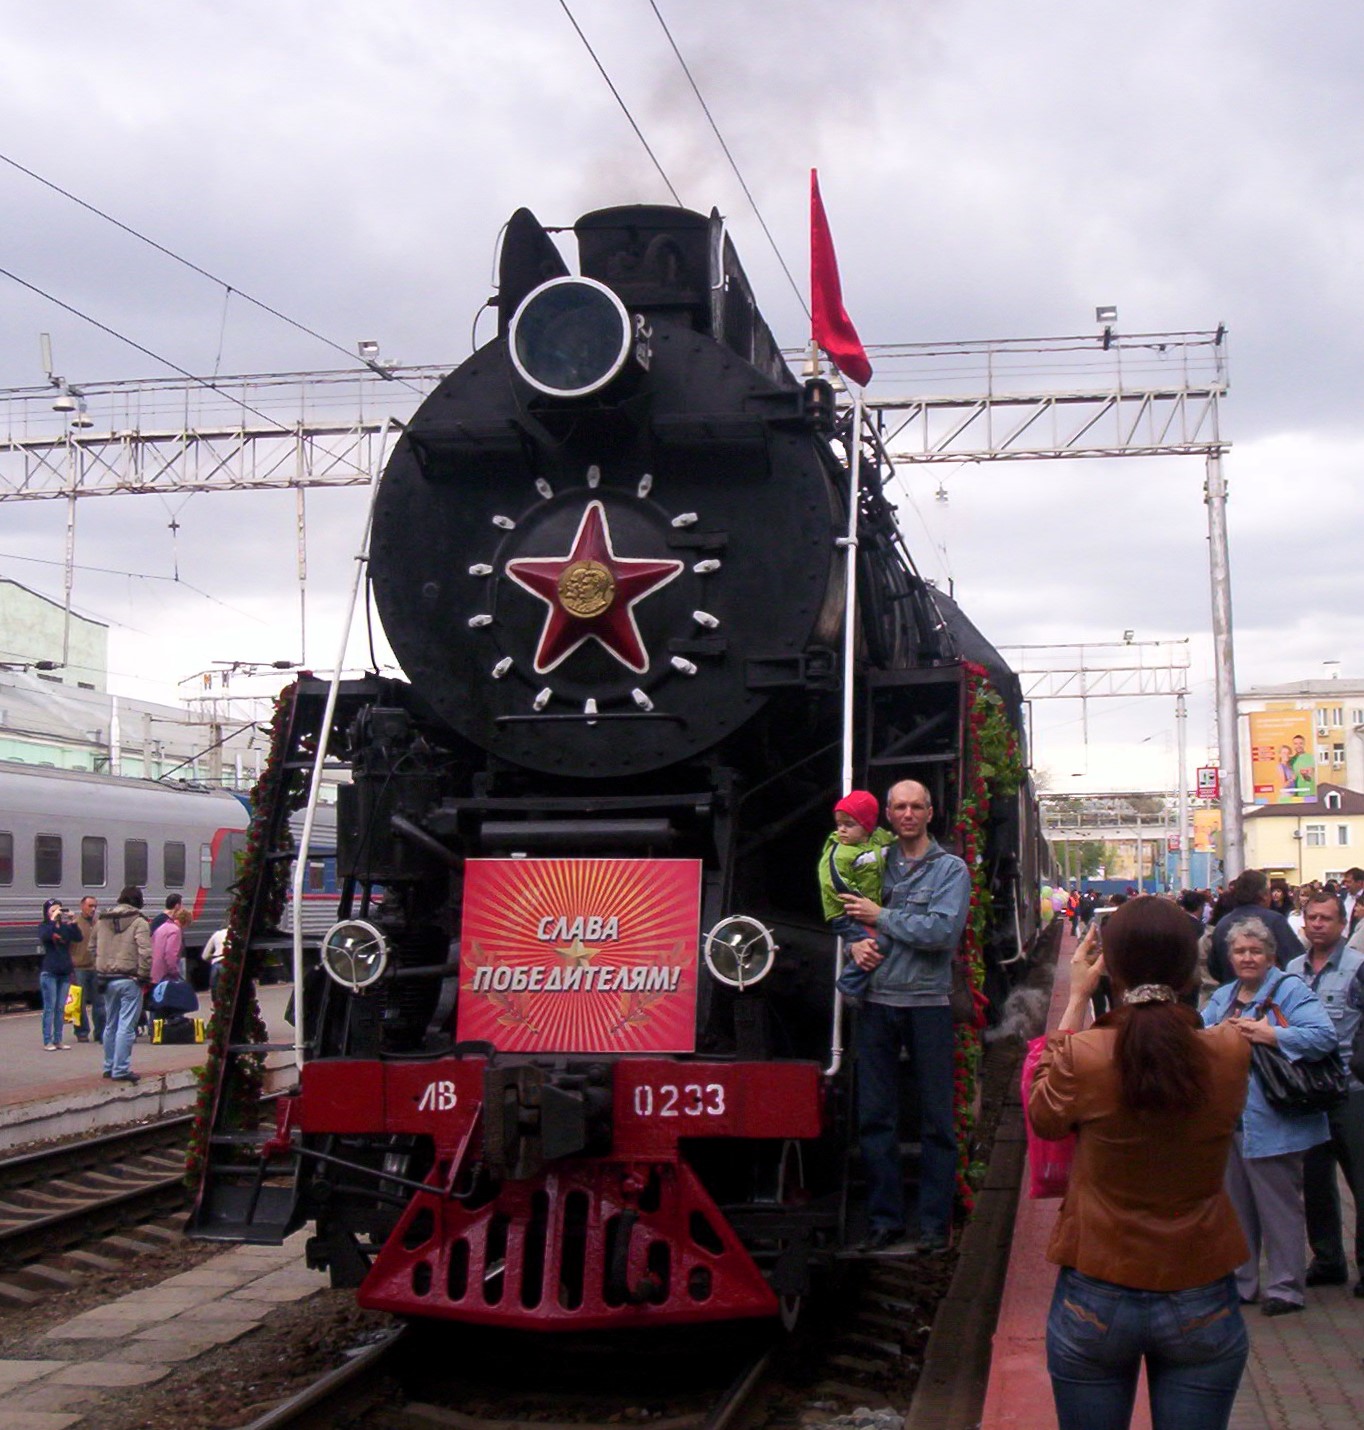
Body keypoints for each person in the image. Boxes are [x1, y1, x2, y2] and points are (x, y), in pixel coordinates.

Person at [1028, 896, 1252, 1430]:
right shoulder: (1229, 1051)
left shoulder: (1084, 1055)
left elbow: (1044, 1116)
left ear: (1112, 966)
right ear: (1187, 966)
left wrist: (1079, 994)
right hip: (1201, 1284)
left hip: (1097, 1286)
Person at [838, 779, 971, 1254]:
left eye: (916, 806)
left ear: (930, 812)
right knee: (876, 1118)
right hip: (876, 1002)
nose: (908, 814)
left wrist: (884, 916)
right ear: (889, 815)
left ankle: (934, 1225)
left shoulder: (950, 870)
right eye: (899, 807)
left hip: (927, 1004)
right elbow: (848, 914)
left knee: (936, 1120)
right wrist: (853, 940)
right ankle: (884, 1220)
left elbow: (940, 932)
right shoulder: (871, 863)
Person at [1202, 915, 1335, 1314]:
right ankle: (1244, 1284)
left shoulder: (1290, 990)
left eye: (1255, 951)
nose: (1247, 957)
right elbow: (1201, 1038)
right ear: (1230, 956)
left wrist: (1269, 1033)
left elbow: (1323, 1036)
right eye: (1240, 951)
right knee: (1237, 1208)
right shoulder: (1224, 997)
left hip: (1275, 1120)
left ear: (1271, 956)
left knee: (1280, 1208)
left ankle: (1285, 1288)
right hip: (1234, 1121)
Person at [1285, 891, 1364, 1295]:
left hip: (1351, 1092)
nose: (1318, 925)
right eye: (1312, 918)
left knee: (1360, 1180)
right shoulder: (1291, 971)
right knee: (1315, 1183)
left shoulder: (1358, 969)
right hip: (1307, 1095)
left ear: (1341, 924)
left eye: (1326, 919)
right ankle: (1328, 1260)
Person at [816, 789, 893, 1008]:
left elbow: (891, 845)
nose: (842, 830)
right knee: (880, 942)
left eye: (849, 825)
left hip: (866, 908)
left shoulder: (877, 839)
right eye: (839, 824)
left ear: (867, 826)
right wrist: (862, 905)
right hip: (846, 913)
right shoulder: (839, 854)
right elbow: (836, 884)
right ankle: (850, 985)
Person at [94, 885, 153, 1085]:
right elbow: (145, 952)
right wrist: (144, 975)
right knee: (126, 1026)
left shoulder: (102, 920)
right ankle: (121, 1069)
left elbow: (92, 946)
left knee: (110, 1024)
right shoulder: (139, 922)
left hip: (107, 979)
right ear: (139, 901)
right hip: (130, 979)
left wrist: (102, 965)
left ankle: (109, 1066)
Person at [1206, 868, 1301, 982]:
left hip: (1233, 993)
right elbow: (1296, 961)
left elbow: (1214, 967)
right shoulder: (1275, 921)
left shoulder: (1222, 924)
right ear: (1264, 895)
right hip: (1271, 993)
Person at [37, 899, 82, 1051]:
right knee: (50, 1007)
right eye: (53, 910)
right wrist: (51, 921)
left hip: (64, 972)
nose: (57, 913)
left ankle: (58, 1040)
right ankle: (47, 1041)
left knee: (60, 1008)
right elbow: (45, 936)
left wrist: (73, 921)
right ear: (47, 913)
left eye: (59, 909)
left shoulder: (65, 928)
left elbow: (78, 937)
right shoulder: (44, 926)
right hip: (49, 972)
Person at [71, 894, 102, 1044]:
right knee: (79, 1004)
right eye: (90, 906)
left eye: (95, 906)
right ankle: (82, 1032)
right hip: (79, 967)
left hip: (96, 967)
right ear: (82, 906)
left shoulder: (99, 923)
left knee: (100, 1002)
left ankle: (101, 1032)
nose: (93, 909)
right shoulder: (75, 923)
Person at [151, 905, 191, 987]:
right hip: (164, 975)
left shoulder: (162, 927)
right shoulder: (175, 930)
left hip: (153, 973)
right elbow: (170, 954)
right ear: (185, 922)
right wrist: (174, 971)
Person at [202, 926, 230, 996]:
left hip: (216, 964)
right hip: (227, 963)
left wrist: (212, 958)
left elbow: (204, 956)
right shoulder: (235, 934)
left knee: (215, 992)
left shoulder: (216, 934)